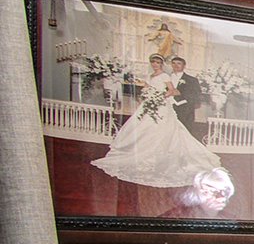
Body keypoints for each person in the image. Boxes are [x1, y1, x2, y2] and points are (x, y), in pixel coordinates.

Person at [92, 54, 228, 190]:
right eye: (153, 62)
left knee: (163, 129)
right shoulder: (150, 76)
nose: (155, 64)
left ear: (162, 64)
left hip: (161, 105)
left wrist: (159, 97)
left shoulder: (165, 76)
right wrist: (146, 93)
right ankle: (139, 150)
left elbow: (172, 91)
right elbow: (147, 88)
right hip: (148, 105)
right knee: (142, 128)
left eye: (158, 62)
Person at [168, 55, 210, 142]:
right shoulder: (166, 77)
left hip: (184, 109)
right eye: (174, 63)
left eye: (179, 64)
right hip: (168, 106)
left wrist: (181, 94)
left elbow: (196, 95)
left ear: (184, 66)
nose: (176, 65)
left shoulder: (192, 80)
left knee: (184, 131)